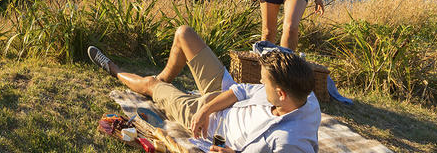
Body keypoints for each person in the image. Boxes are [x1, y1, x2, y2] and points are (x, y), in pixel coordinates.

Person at [89, 25, 320, 153]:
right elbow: (240, 91)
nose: (261, 85)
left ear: (280, 94)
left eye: (265, 84)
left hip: (210, 126)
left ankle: (115, 69)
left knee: (151, 84)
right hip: (219, 97)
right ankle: (160, 83)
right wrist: (207, 109)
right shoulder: (301, 91)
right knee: (184, 34)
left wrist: (201, 114)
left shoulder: (290, 143)